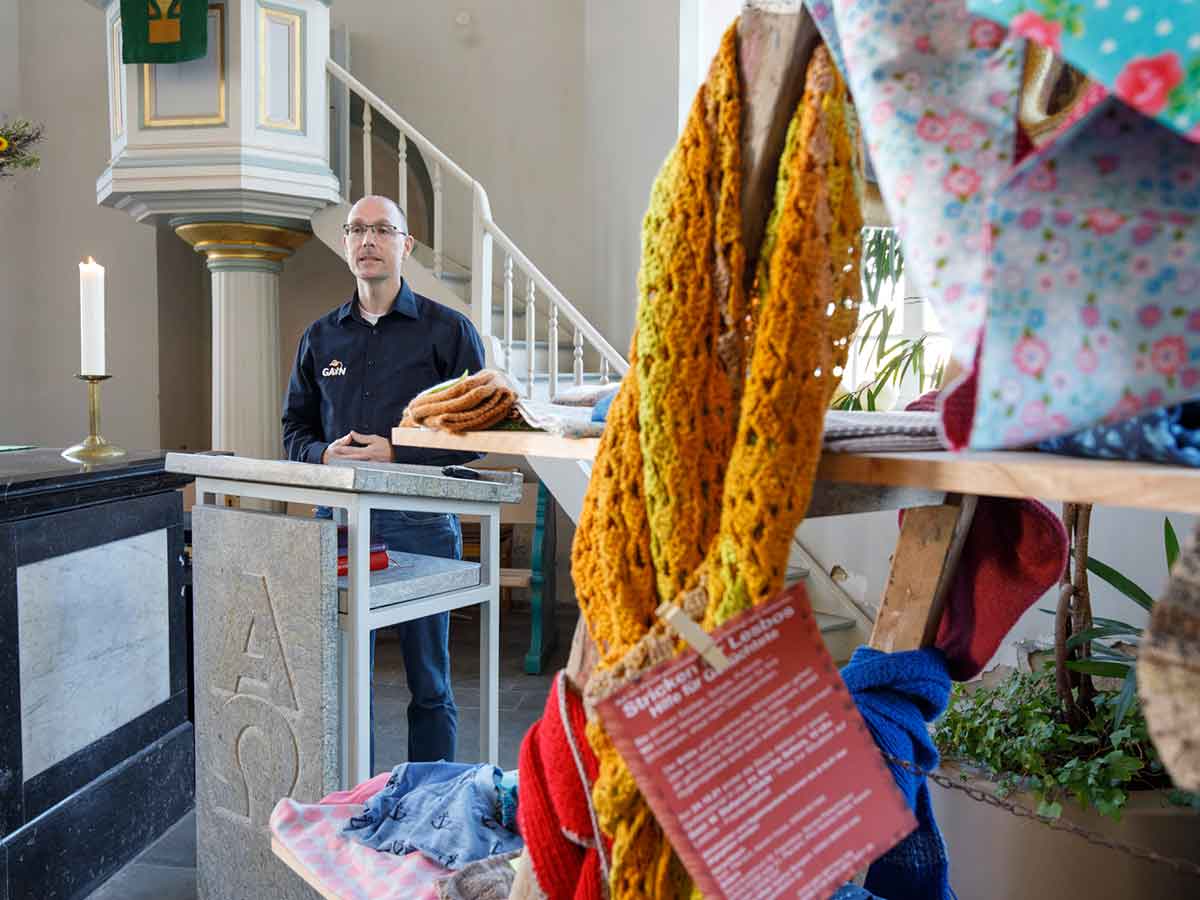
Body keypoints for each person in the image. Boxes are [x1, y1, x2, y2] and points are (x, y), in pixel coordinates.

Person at [282, 195, 486, 765]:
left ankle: (432, 800)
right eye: (356, 230)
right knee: (348, 684)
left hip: (422, 524)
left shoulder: (449, 332)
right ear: (346, 244)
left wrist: (396, 452)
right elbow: (294, 429)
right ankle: (358, 804)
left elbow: (474, 435)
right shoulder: (319, 338)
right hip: (341, 528)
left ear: (405, 245)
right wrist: (325, 454)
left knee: (431, 683)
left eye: (381, 230)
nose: (367, 240)